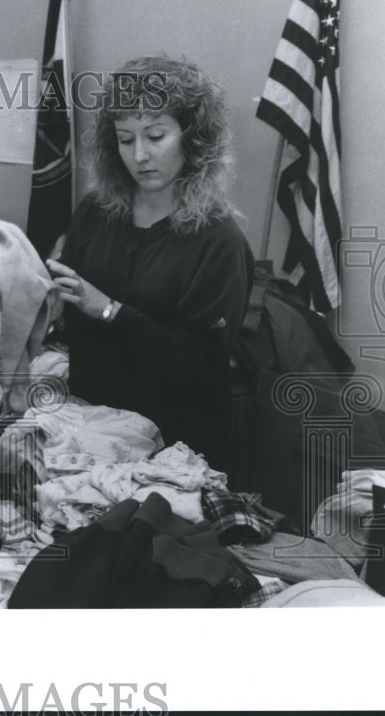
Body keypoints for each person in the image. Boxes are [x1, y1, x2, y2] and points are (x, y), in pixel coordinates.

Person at [47, 56, 254, 471]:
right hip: (92, 424)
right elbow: (72, 316)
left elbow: (200, 367)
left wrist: (110, 310)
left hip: (171, 444)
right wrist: (46, 298)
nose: (139, 155)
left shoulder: (218, 240)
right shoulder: (96, 211)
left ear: (193, 138)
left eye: (155, 136)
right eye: (125, 139)